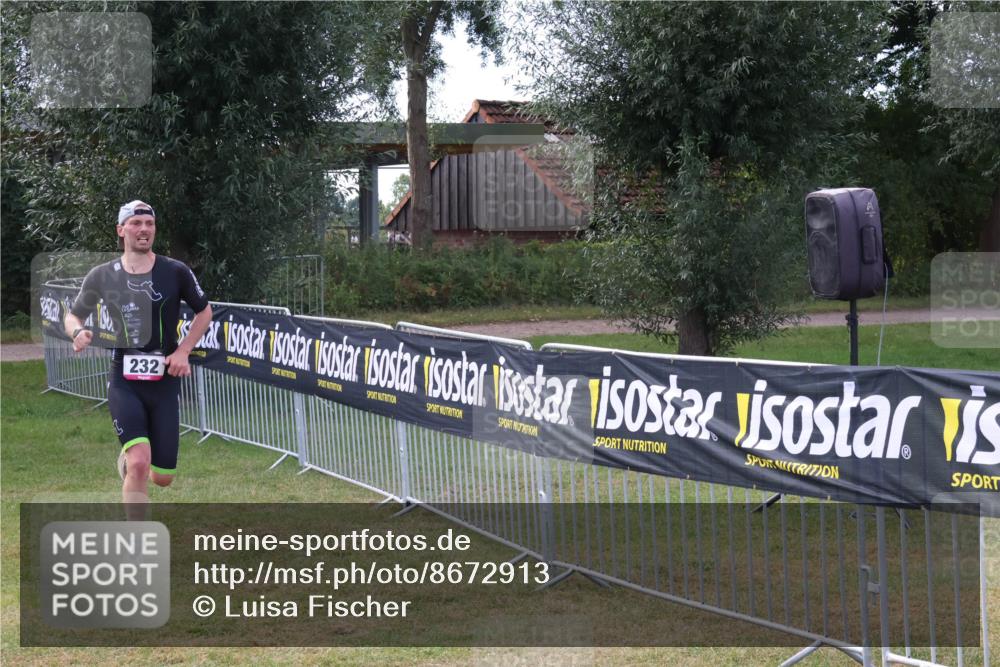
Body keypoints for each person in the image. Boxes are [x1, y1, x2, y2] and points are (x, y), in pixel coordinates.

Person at [63, 200, 213, 516]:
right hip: (124, 381)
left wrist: (183, 350)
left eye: (149, 224)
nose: (143, 229)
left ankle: (130, 463)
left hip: (164, 382)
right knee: (141, 463)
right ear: (121, 230)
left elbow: (204, 312)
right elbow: (73, 316)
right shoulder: (103, 275)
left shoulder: (175, 271)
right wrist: (78, 332)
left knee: (163, 477)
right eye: (135, 223)